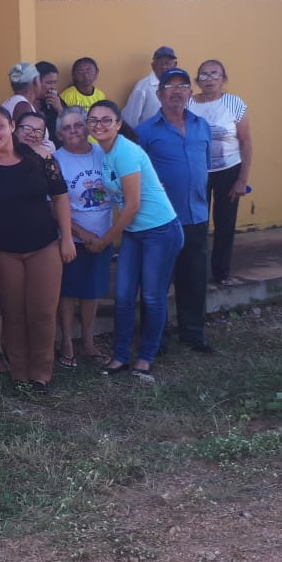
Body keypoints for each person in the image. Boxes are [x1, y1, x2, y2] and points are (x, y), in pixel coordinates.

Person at [0, 107, 75, 393]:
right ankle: (19, 373)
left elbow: (60, 197)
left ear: (12, 126)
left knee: (43, 312)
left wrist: (67, 238)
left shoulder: (40, 158)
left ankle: (41, 373)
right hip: (5, 252)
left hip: (44, 246)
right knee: (13, 313)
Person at [85, 100, 184, 379]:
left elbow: (132, 205)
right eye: (93, 120)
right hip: (135, 232)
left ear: (118, 124)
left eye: (106, 120)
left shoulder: (125, 151)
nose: (99, 125)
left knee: (152, 297)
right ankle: (120, 356)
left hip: (160, 231)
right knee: (123, 296)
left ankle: (146, 356)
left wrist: (104, 241)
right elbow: (115, 193)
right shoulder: (105, 152)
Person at [137, 69, 214, 353]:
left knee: (194, 278)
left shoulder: (202, 126)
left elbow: (205, 166)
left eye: (182, 86)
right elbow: (138, 176)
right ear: (159, 95)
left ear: (190, 93)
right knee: (156, 282)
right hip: (162, 220)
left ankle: (193, 334)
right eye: (170, 86)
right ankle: (155, 339)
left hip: (196, 215)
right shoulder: (145, 131)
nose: (177, 91)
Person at [53, 106, 113, 366]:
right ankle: (67, 342)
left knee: (92, 292)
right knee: (68, 292)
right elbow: (53, 205)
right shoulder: (56, 160)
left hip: (103, 238)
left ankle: (88, 342)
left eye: (78, 125)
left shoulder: (104, 153)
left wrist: (104, 237)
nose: (74, 131)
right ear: (59, 134)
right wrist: (82, 233)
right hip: (72, 239)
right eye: (67, 128)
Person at [188, 60, 253, 286]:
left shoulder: (234, 103)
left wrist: (242, 180)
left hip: (229, 170)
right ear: (197, 81)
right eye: (204, 75)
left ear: (224, 79)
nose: (209, 79)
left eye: (214, 74)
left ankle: (221, 273)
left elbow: (245, 142)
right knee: (196, 222)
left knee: (225, 222)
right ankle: (194, 272)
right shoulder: (188, 103)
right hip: (197, 172)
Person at [122, 46, 178, 128]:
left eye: (167, 63)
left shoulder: (179, 87)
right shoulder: (143, 88)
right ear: (153, 66)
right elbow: (130, 119)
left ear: (175, 65)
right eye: (160, 63)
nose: (164, 67)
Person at [35, 60, 64, 139]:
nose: (53, 87)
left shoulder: (56, 99)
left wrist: (59, 109)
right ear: (36, 82)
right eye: (49, 83)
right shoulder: (27, 102)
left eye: (55, 82)